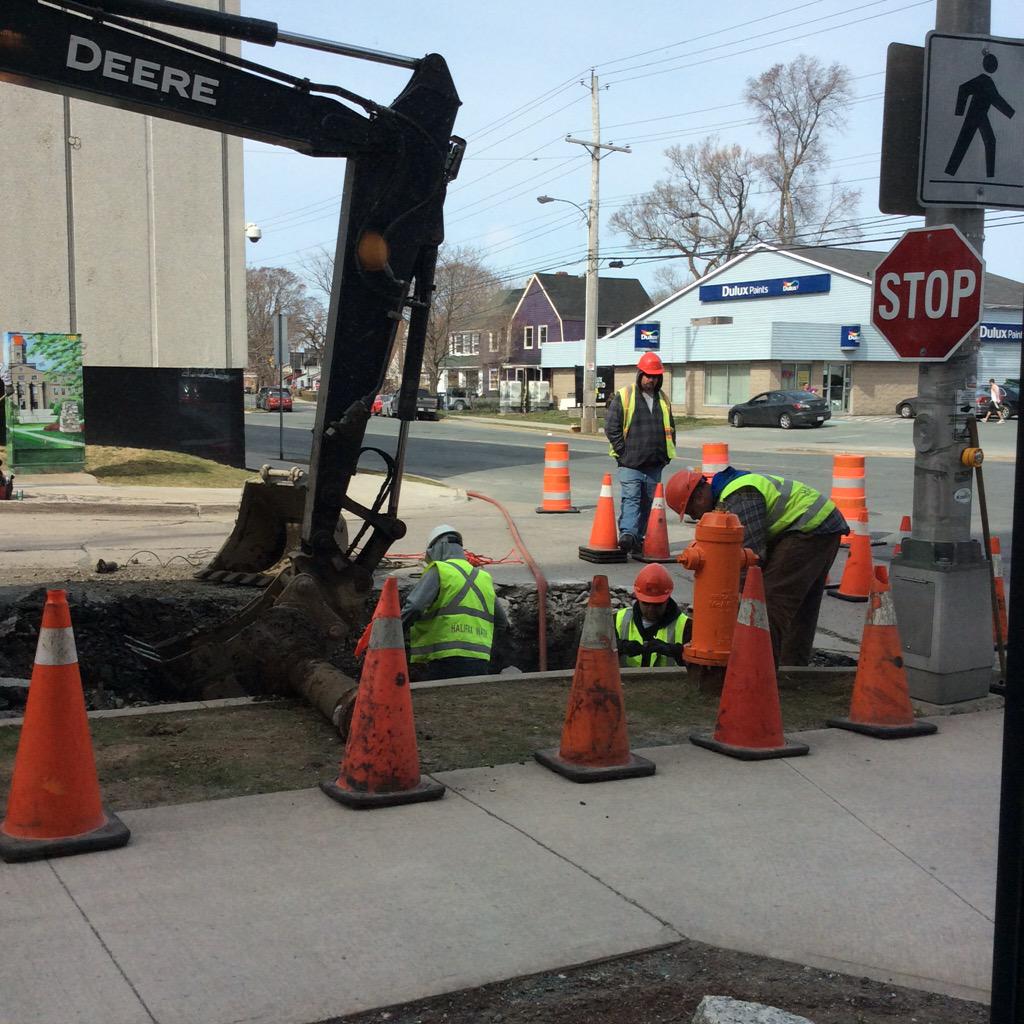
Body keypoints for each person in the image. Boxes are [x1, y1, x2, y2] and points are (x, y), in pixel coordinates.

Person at [665, 467, 847, 668]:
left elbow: (751, 556)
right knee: (801, 606)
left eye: (693, 513)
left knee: (769, 604)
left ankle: (761, 672)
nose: (698, 518)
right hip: (821, 524)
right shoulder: (731, 491)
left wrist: (730, 602)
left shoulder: (739, 497)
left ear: (698, 497)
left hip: (808, 528)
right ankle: (793, 670)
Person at [400, 524, 507, 681]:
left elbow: (415, 607)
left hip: (445, 661)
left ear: (437, 548)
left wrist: (394, 629)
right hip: (479, 661)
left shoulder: (439, 570)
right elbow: (502, 622)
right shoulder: (483, 577)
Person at [604, 351, 676, 555]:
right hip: (630, 462)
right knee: (632, 498)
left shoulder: (663, 399)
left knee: (648, 503)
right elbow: (611, 427)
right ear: (640, 374)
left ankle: (640, 538)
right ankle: (627, 534)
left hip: (655, 462)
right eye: (648, 375)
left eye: (655, 376)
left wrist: (666, 455)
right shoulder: (625, 395)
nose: (651, 380)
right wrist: (623, 453)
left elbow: (670, 428)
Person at [615, 563, 691, 668]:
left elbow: (696, 663)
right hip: (625, 683)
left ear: (667, 599)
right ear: (638, 598)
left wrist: (672, 650)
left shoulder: (686, 626)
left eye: (657, 605)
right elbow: (599, 648)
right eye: (646, 604)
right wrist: (621, 646)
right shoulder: (619, 619)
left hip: (670, 684)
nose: (651, 609)